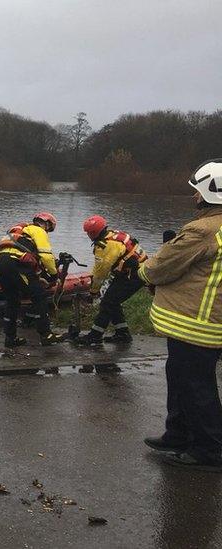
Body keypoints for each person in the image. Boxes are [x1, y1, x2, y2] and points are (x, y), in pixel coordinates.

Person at [140, 159, 222, 472]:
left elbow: (159, 267)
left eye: (197, 191)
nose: (193, 197)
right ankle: (178, 434)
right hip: (206, 322)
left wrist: (142, 271)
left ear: (210, 193)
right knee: (180, 378)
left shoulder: (203, 230)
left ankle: (207, 449)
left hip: (195, 324)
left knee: (195, 387)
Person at [0, 212, 65, 347]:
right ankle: (46, 334)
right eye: (49, 229)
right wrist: (54, 274)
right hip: (16, 264)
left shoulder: (17, 231)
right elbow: (46, 256)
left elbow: (0, 252)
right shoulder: (38, 230)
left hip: (0, 264)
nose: (48, 232)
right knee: (39, 296)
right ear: (47, 224)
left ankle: (10, 338)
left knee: (12, 301)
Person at [76, 215, 148, 345]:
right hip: (136, 271)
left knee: (107, 303)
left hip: (132, 275)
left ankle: (95, 336)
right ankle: (122, 334)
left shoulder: (105, 246)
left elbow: (100, 273)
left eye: (88, 233)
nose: (87, 235)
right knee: (113, 301)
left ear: (93, 233)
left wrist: (93, 291)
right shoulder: (114, 235)